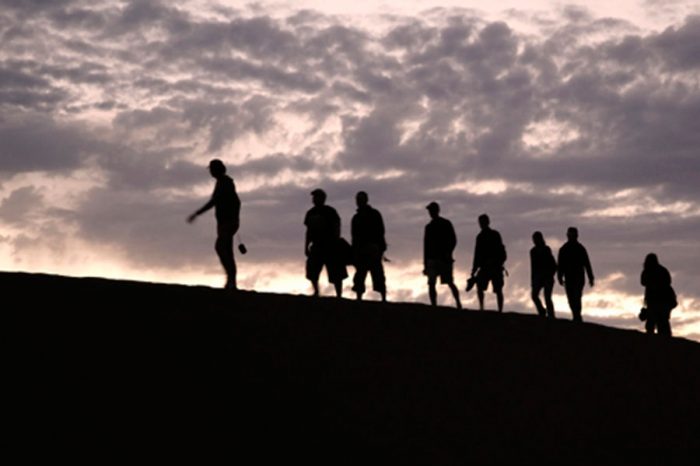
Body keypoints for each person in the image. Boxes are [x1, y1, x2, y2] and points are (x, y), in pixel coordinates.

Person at [187, 159, 241, 290]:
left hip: (227, 223)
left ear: (216, 170)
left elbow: (215, 202)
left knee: (221, 247)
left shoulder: (225, 183)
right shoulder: (223, 182)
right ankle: (231, 282)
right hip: (225, 222)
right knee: (227, 250)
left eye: (211, 169)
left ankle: (231, 280)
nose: (210, 171)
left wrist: (197, 213)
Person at [304, 189, 347, 297]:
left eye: (316, 197)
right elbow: (308, 231)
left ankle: (339, 295)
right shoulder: (310, 213)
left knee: (336, 272)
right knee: (312, 270)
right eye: (314, 197)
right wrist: (306, 246)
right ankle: (316, 291)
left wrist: (335, 242)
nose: (314, 199)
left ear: (322, 199)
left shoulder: (330, 211)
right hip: (317, 246)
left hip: (330, 246)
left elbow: (337, 227)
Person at [423, 202, 461, 308]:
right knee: (432, 283)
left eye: (431, 210)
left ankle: (458, 302)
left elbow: (453, 240)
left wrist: (448, 252)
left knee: (448, 282)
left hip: (443, 258)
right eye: (430, 211)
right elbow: (426, 247)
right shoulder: (430, 227)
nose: (430, 213)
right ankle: (434, 305)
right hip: (433, 259)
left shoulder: (443, 224)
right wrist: (425, 264)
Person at [351, 191, 387, 302]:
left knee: (377, 274)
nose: (358, 202)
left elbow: (381, 231)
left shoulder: (373, 214)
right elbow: (354, 236)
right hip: (362, 249)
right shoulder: (357, 217)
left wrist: (380, 247)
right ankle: (360, 297)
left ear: (365, 200)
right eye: (358, 199)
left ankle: (383, 298)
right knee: (361, 275)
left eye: (360, 199)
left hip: (372, 248)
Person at [469, 214, 506, 312]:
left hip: (495, 266)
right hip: (486, 267)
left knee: (498, 289)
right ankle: (483, 308)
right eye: (480, 222)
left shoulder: (493, 235)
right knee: (481, 287)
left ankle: (499, 310)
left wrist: (474, 269)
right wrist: (474, 269)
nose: (481, 224)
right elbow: (477, 254)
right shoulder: (481, 237)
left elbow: (501, 250)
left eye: (482, 222)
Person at [557, 227, 594, 322]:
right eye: (570, 235)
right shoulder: (563, 249)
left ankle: (577, 316)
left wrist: (591, 277)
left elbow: (587, 264)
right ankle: (576, 315)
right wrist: (559, 277)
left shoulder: (580, 249)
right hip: (569, 278)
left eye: (573, 235)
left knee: (577, 297)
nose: (572, 237)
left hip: (578, 277)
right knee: (571, 299)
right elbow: (560, 265)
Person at [641, 253, 675, 336]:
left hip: (659, 301)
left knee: (656, 323)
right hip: (663, 301)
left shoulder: (650, 271)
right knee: (661, 324)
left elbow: (643, 282)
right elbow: (643, 282)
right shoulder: (662, 270)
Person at [530, 231, 557, 318]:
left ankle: (551, 315)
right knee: (534, 296)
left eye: (536, 239)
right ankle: (542, 310)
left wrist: (551, 274)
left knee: (547, 297)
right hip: (538, 276)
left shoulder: (546, 249)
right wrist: (533, 280)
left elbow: (553, 264)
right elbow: (533, 267)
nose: (535, 241)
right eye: (534, 239)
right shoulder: (533, 251)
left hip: (547, 276)